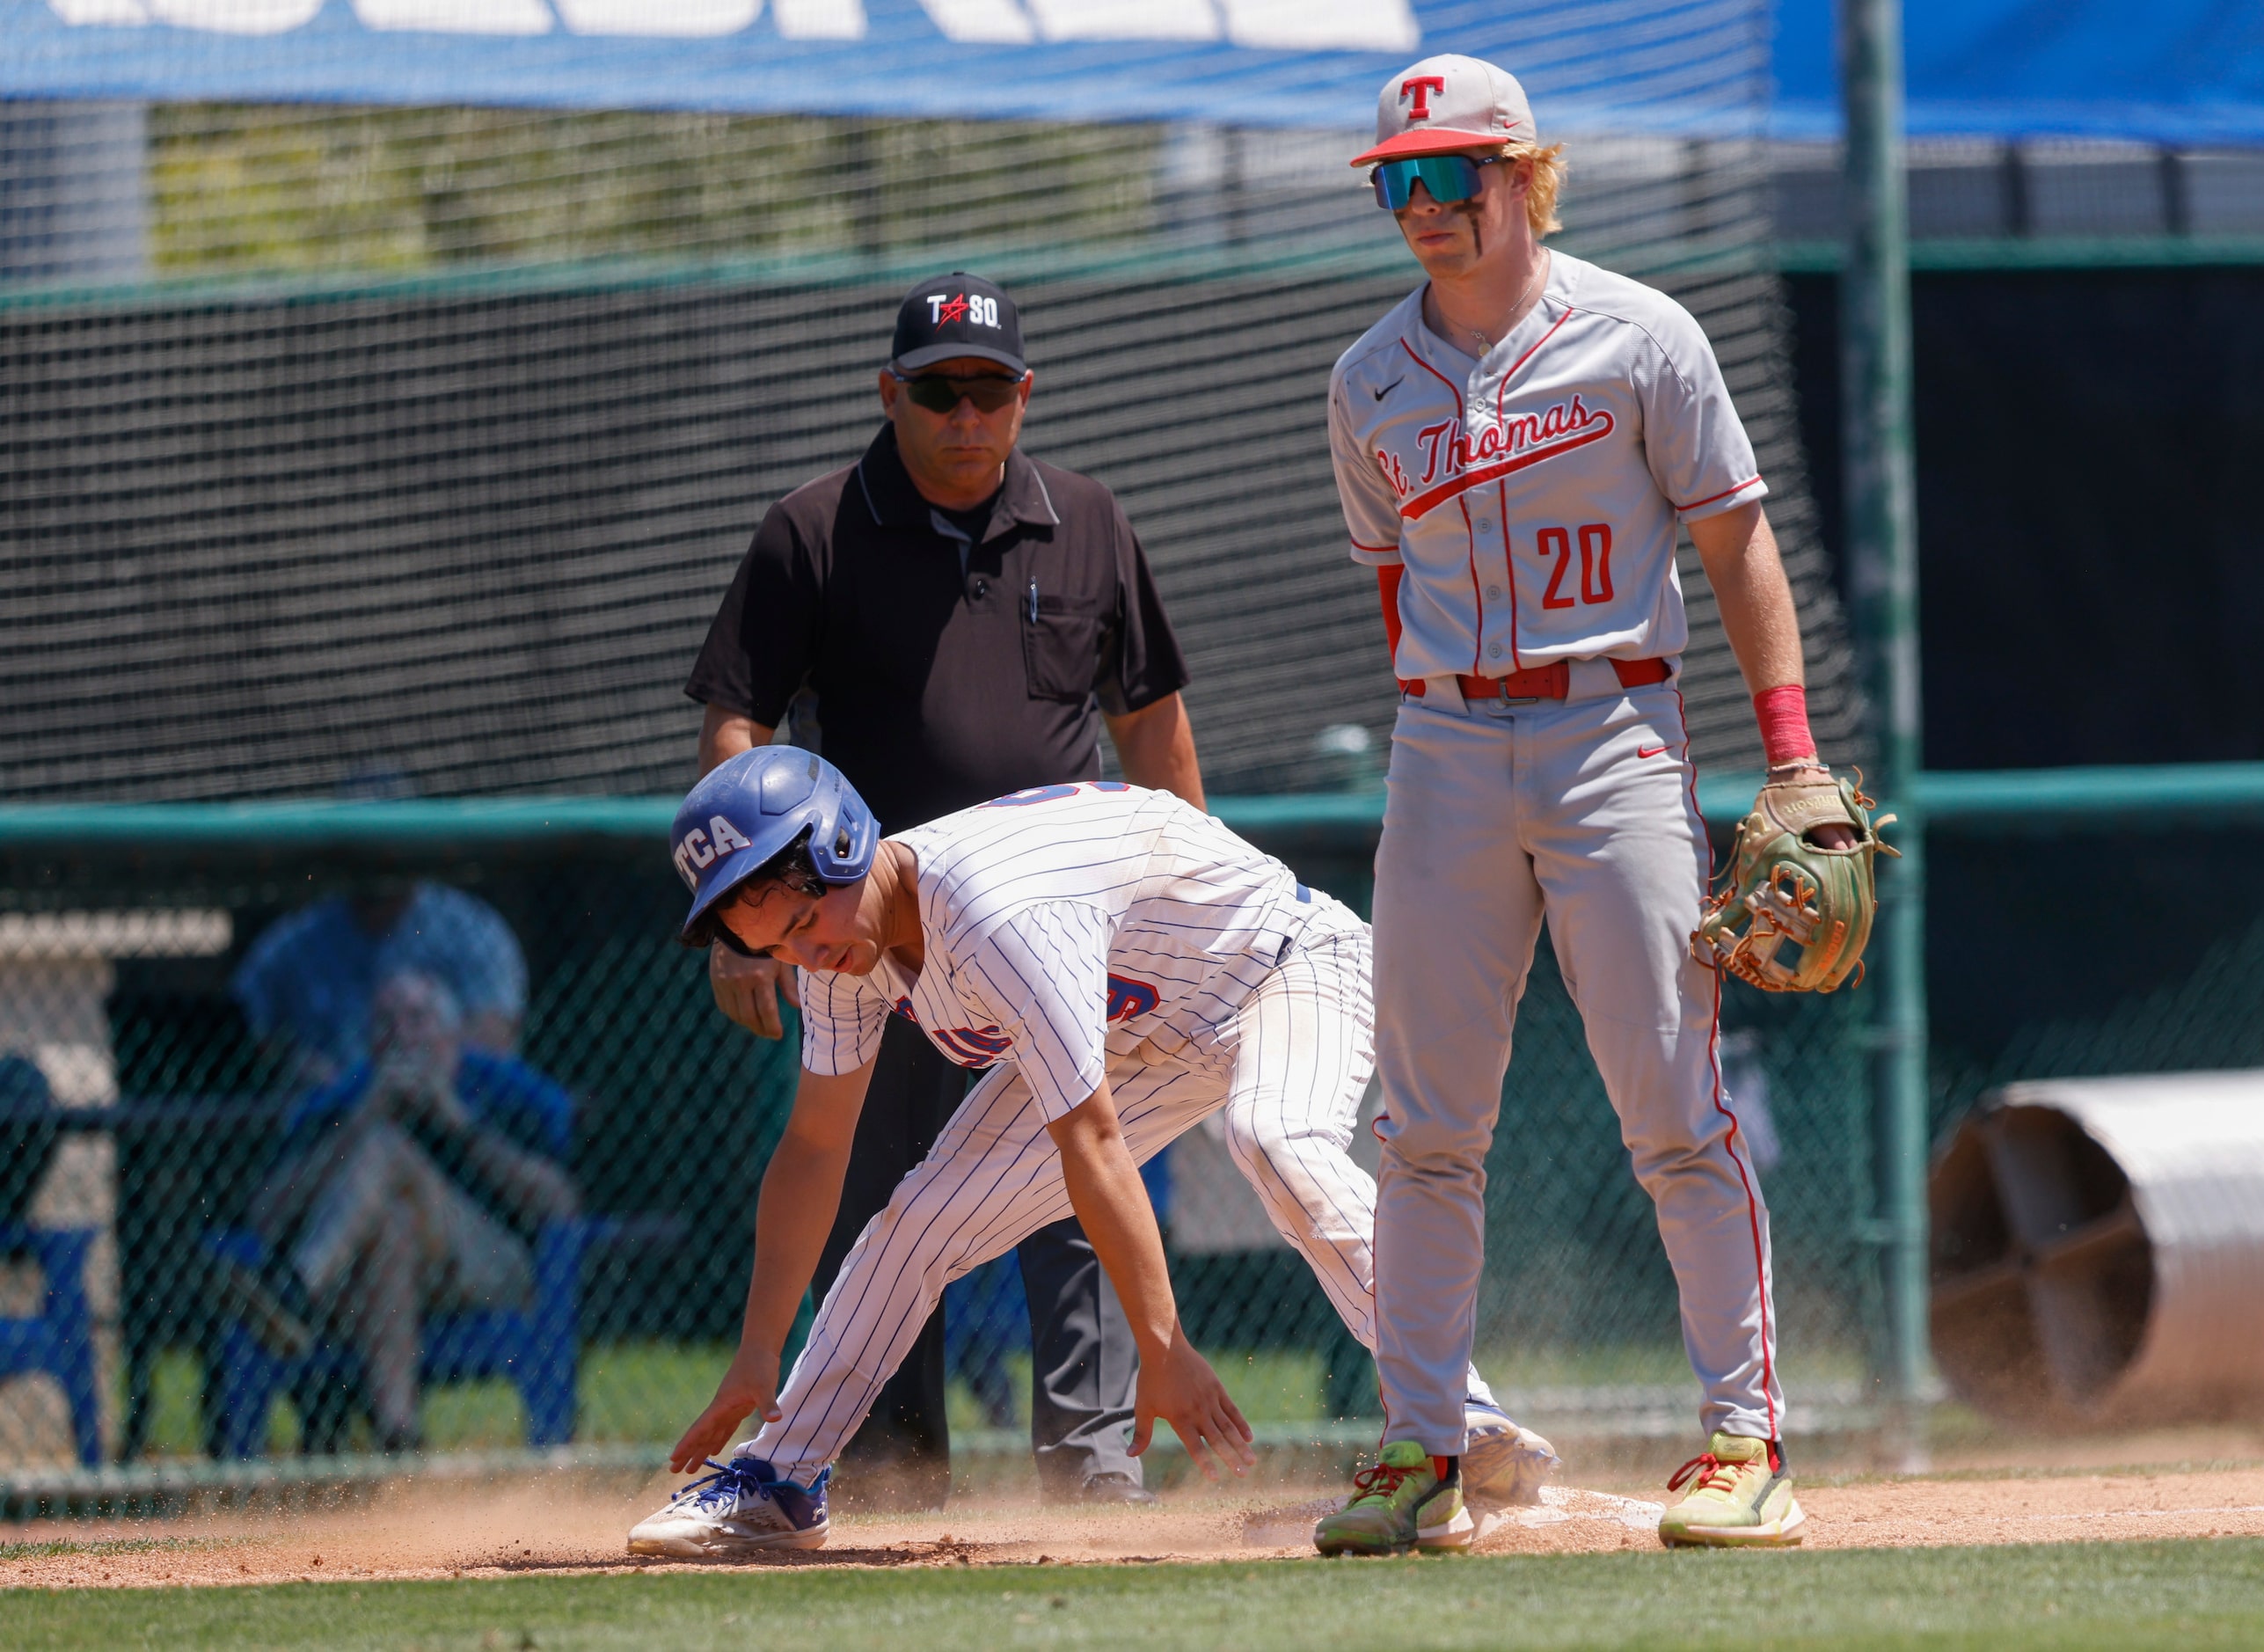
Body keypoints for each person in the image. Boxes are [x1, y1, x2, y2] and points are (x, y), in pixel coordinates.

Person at [1311, 55, 1848, 1554]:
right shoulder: (1366, 380)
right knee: (1422, 1125)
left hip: (1615, 728)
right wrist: (1443, 721)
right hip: (1444, 750)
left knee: (1676, 1107)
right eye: (1397, 182)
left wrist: (1789, 752)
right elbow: (1391, 579)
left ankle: (1747, 1439)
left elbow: (1739, 542)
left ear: (1524, 177)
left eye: (1450, 175)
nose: (1420, 205)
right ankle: (1421, 1452)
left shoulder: (1639, 334)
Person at [624, 750, 1557, 1556]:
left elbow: (1091, 1142)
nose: (803, 958)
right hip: (1140, 1029)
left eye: (800, 925)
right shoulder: (844, 952)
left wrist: (1164, 1346)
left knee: (1273, 1135)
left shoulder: (993, 910)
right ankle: (780, 1480)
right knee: (916, 1222)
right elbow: (813, 1147)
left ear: (841, 849)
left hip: (1283, 965)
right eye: (773, 946)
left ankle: (1454, 1416)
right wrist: (755, 1353)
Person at [683, 271, 1206, 1509]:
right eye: (938, 391)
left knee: (1078, 1180)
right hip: (872, 934)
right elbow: (736, 719)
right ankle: (886, 1475)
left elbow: (1155, 727)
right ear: (890, 391)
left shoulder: (1088, 520)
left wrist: (1178, 912)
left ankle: (1090, 1473)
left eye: (990, 390)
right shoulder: (814, 528)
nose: (966, 415)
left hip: (1059, 925)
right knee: (881, 1204)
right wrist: (755, 919)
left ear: (1025, 394)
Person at [242, 970, 578, 1452]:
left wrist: (456, 1122)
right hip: (368, 1282)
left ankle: (294, 1293)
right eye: (385, 1024)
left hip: (492, 1269)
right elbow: (266, 1214)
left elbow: (560, 1204)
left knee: (389, 1152)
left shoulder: (498, 1087)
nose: (402, 1035)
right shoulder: (346, 1097)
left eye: (417, 1019)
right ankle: (399, 1438)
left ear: (451, 1035)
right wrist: (361, 1119)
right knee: (393, 1226)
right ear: (370, 1045)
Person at [231, 879, 526, 1087]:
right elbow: (243, 1032)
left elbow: (495, 1037)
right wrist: (300, 1067)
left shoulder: (468, 929)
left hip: (448, 1110)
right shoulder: (296, 941)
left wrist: (423, 1080)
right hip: (338, 1118)